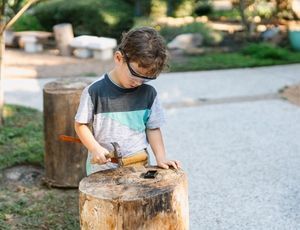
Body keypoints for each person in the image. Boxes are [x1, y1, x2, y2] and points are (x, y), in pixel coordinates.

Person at [74, 26, 181, 175]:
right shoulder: (94, 91)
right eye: (135, 76)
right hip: (104, 168)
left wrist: (161, 158)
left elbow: (153, 127)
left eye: (146, 79)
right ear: (119, 58)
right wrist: (94, 148)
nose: (138, 83)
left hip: (139, 164)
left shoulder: (148, 93)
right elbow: (81, 125)